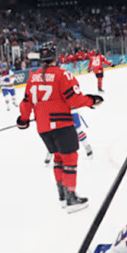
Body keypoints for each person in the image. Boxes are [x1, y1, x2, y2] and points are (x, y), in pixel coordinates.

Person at [19, 41, 103, 213]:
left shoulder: (33, 77)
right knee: (70, 158)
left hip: (43, 127)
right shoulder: (63, 75)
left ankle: (63, 195)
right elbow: (75, 99)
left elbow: (26, 102)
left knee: (58, 158)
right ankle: (71, 196)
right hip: (62, 124)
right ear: (55, 56)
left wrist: (23, 119)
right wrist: (92, 100)